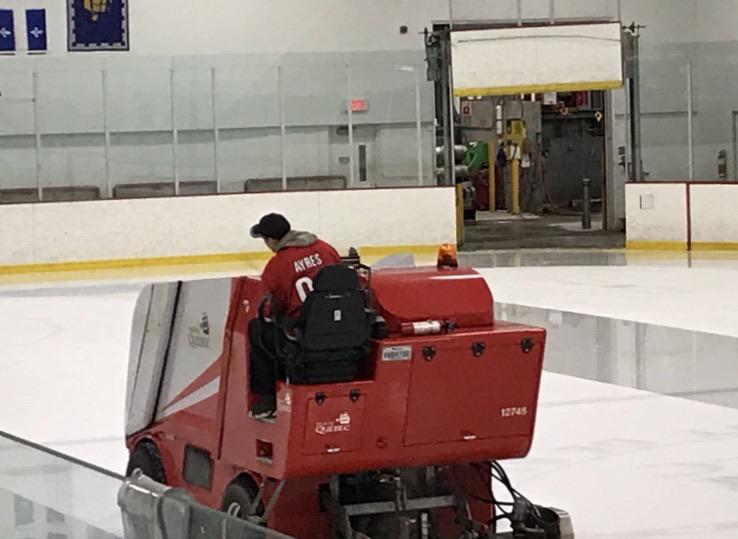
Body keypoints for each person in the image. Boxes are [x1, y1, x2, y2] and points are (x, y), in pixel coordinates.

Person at [248, 213, 341, 419]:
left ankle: (267, 399)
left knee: (256, 329)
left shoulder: (277, 266)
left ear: (272, 240)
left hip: (305, 335)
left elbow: (268, 309)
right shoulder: (325, 249)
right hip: (341, 326)